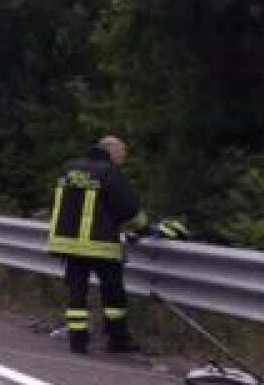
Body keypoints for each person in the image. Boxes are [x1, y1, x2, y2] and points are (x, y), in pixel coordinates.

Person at [46, 134, 180, 353]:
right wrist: (145, 229)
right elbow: (128, 209)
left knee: (77, 293)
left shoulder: (69, 170)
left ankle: (77, 342)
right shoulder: (109, 173)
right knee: (113, 294)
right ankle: (117, 340)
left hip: (68, 244)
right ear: (111, 151)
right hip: (100, 246)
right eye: (122, 153)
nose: (123, 158)